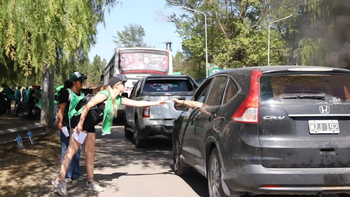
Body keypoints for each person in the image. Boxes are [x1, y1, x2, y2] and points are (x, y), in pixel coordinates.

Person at [54, 75, 167, 196]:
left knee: (90, 153)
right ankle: (60, 181)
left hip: (89, 125)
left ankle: (90, 182)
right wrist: (80, 125)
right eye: (123, 83)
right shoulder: (104, 95)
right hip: (80, 122)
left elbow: (136, 103)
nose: (125, 85)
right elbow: (87, 106)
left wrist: (157, 103)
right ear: (117, 85)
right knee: (71, 151)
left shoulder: (118, 99)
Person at [57, 71, 88, 184]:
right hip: (67, 126)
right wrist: (60, 123)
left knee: (78, 150)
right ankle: (66, 175)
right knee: (67, 149)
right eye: (80, 81)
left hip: (79, 127)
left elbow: (96, 91)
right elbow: (61, 109)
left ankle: (75, 174)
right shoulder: (66, 93)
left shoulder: (82, 93)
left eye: (82, 80)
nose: (82, 83)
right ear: (73, 82)